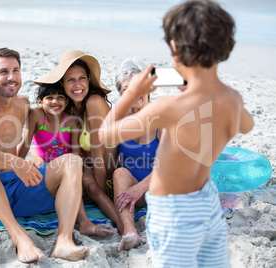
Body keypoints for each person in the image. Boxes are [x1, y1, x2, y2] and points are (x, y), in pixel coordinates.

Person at [99, 1, 254, 267]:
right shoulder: (232, 99)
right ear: (225, 49)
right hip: (207, 204)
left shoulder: (166, 107)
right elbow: (247, 126)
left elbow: (105, 135)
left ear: (175, 50)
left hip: (173, 211)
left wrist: (132, 94)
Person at [0, 48, 89, 263]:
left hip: (15, 189)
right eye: (4, 71)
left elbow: (47, 123)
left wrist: (34, 155)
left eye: (16, 70)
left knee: (72, 161)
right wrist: (14, 161)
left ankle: (64, 240)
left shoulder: (23, 104)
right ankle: (20, 237)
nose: (12, 77)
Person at [35, 50, 123, 235]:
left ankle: (124, 228)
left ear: (88, 81)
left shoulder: (93, 102)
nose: (77, 85)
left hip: (106, 179)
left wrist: (97, 190)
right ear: (62, 84)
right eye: (70, 80)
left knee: (59, 191)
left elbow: (98, 155)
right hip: (86, 171)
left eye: (81, 78)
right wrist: (37, 157)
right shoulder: (72, 110)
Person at [17, 82, 113, 237]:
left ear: (66, 102)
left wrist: (76, 174)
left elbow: (76, 154)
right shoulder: (35, 115)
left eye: (60, 97)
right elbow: (24, 145)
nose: (55, 101)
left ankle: (114, 225)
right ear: (40, 102)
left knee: (84, 186)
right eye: (50, 98)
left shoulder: (71, 120)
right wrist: (15, 166)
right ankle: (84, 222)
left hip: (73, 166)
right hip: (51, 168)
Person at [112, 59, 162, 250]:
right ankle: (130, 232)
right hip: (134, 192)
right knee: (119, 173)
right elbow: (107, 161)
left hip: (161, 188)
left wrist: (139, 187)